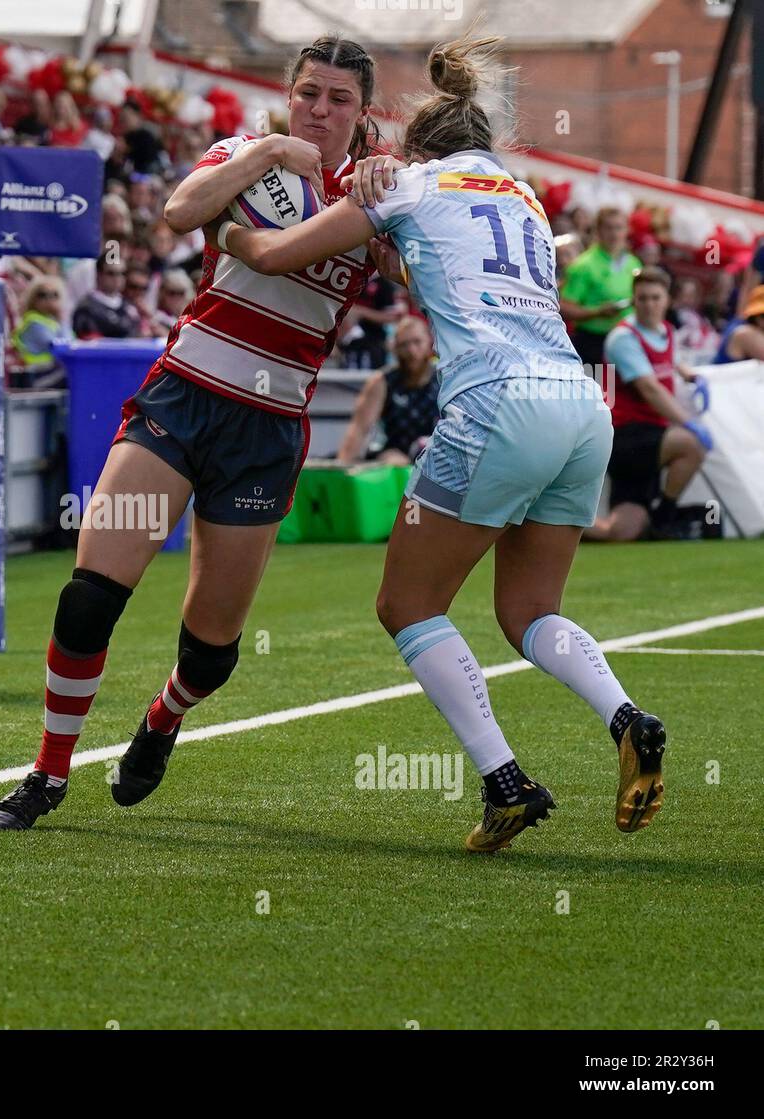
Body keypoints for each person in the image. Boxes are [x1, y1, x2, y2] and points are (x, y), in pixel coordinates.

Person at [215, 34, 665, 852]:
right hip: (579, 403)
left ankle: (506, 783)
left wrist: (229, 234)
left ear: (414, 144)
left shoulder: (410, 183)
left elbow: (279, 254)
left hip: (495, 401)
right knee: (531, 611)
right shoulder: (526, 199)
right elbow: (443, 270)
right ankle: (627, 715)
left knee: (406, 603)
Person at [0, 34, 397, 830]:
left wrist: (393, 202)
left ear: (360, 112)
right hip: (180, 401)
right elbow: (179, 212)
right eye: (308, 92)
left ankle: (164, 716)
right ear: (289, 92)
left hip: (267, 430)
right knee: (86, 597)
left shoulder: (375, 192)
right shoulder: (246, 152)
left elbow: (410, 272)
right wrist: (271, 148)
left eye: (338, 100)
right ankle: (47, 772)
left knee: (211, 651)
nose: (318, 110)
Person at [585, 269, 712, 542]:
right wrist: (687, 423)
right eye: (642, 298)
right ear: (633, 300)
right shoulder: (624, 338)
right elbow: (650, 389)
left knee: (621, 532)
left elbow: (671, 360)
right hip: (628, 436)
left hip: (651, 437)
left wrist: (689, 374)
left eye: (656, 298)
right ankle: (665, 519)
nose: (649, 305)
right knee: (692, 444)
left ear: (667, 300)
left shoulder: (666, 330)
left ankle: (544, 523)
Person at [335, 315, 439, 465]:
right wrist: (343, 470)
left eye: (417, 342)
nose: (411, 350)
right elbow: (358, 429)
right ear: (395, 347)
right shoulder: (381, 381)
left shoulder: (445, 378)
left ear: (429, 341)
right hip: (396, 461)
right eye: (404, 344)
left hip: (437, 461)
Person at [560, 207, 642, 371]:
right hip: (592, 343)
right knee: (596, 393)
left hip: (625, 341)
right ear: (598, 230)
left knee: (616, 394)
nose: (614, 233)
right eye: (608, 228)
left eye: (618, 227)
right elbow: (564, 306)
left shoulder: (633, 263)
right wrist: (597, 312)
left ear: (627, 230)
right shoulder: (584, 265)